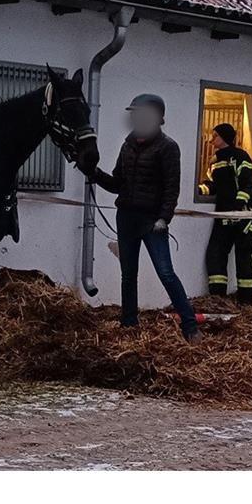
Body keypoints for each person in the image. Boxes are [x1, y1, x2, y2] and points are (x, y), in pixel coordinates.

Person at [89, 94, 199, 341]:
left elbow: (172, 188)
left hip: (152, 221)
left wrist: (164, 218)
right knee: (128, 275)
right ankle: (129, 324)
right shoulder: (127, 145)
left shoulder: (168, 148)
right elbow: (118, 183)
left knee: (166, 273)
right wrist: (94, 173)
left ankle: (190, 327)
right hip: (126, 217)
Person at [198, 123, 252, 304]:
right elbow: (212, 185)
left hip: (244, 216)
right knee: (215, 254)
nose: (212, 140)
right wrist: (198, 190)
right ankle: (218, 300)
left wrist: (238, 206)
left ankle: (246, 303)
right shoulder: (215, 160)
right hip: (223, 216)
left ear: (225, 137)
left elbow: (247, 184)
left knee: (244, 257)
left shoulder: (240, 157)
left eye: (215, 136)